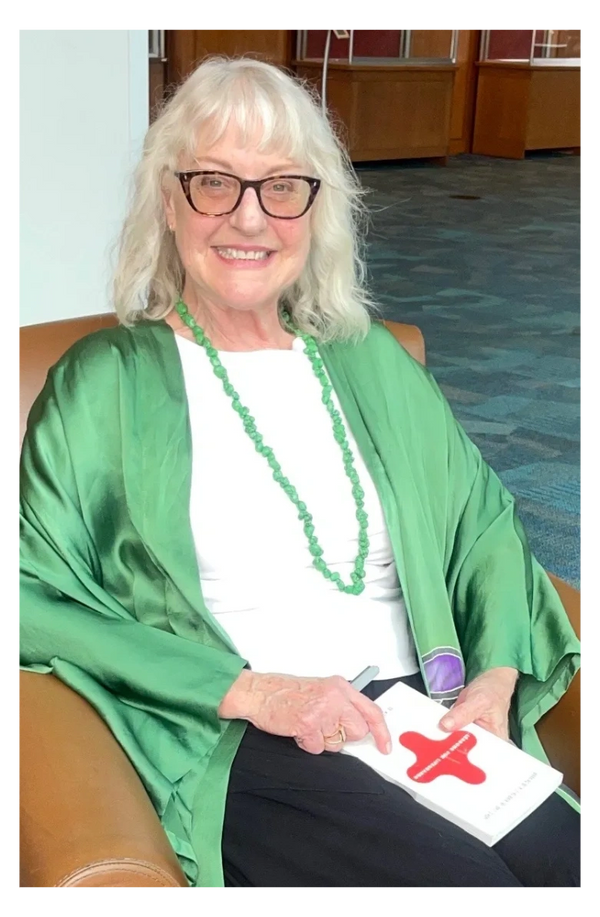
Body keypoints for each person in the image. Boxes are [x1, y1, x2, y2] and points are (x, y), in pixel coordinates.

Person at [17, 57, 582, 891]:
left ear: (316, 210)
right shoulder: (106, 383)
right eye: (214, 182)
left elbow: (484, 526)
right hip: (254, 727)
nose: (249, 217)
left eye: (282, 186)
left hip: (424, 711)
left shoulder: (371, 361)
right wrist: (249, 691)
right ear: (169, 202)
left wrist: (493, 683)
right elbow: (31, 591)